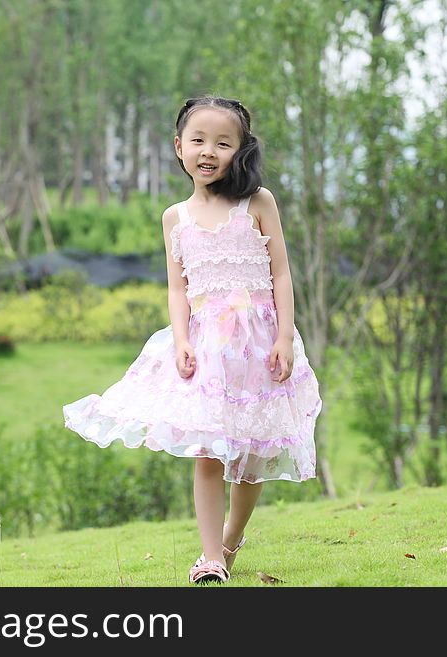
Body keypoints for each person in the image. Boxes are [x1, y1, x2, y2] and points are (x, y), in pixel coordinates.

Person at [63, 95, 322, 585]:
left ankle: (230, 540)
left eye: (223, 143)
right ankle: (210, 559)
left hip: (258, 346)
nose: (209, 151)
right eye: (198, 140)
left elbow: (282, 274)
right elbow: (178, 286)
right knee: (208, 452)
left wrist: (284, 338)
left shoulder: (258, 203)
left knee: (252, 456)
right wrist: (181, 339)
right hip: (207, 350)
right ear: (178, 147)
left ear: (241, 150)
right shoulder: (174, 217)